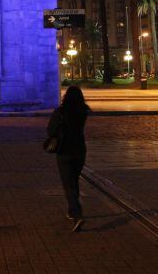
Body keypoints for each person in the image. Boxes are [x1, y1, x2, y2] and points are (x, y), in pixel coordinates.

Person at [46, 85, 90, 232]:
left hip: (64, 150)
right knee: (74, 180)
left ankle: (78, 214)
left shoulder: (60, 112)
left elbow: (50, 130)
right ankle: (72, 210)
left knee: (68, 184)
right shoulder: (83, 111)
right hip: (79, 149)